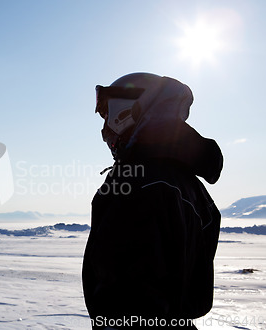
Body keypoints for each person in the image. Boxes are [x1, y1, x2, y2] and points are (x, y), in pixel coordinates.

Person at [82, 73, 223, 329]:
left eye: (107, 115)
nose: (105, 129)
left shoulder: (139, 182)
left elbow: (131, 294)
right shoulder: (189, 186)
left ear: (128, 111)